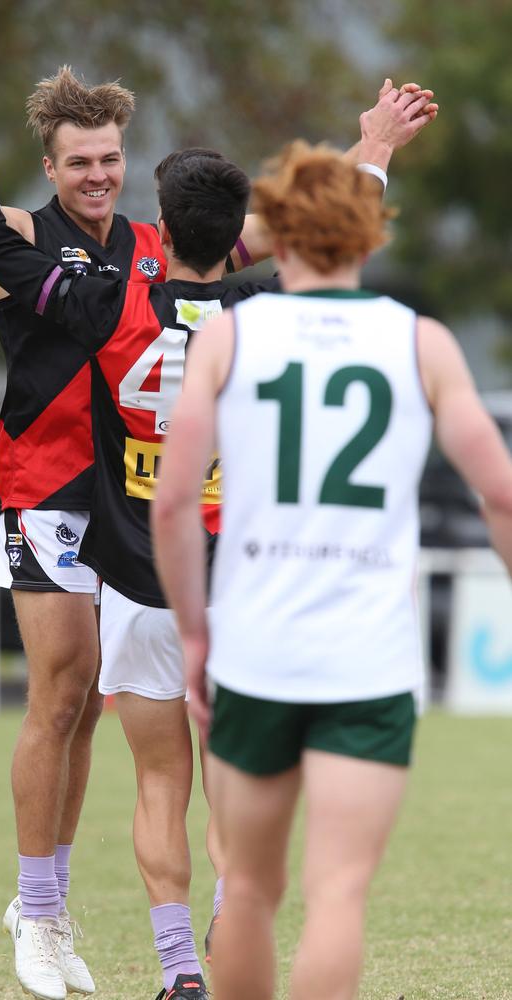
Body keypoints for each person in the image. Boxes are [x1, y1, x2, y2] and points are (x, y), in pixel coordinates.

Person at [0, 29, 437, 1000]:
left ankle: (178, 971)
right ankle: (221, 933)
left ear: (157, 217)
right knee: (229, 779)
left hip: (138, 577)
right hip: (240, 579)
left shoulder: (111, 298)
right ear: (240, 232)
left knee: (156, 775)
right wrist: (371, 148)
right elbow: (321, 244)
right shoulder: (262, 308)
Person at [151, 140, 512, 1000]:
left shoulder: (230, 337)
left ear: (273, 229)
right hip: (368, 660)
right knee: (338, 893)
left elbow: (170, 506)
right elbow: (500, 494)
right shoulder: (421, 342)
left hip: (255, 653)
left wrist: (196, 635)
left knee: (251, 894)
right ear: (368, 233)